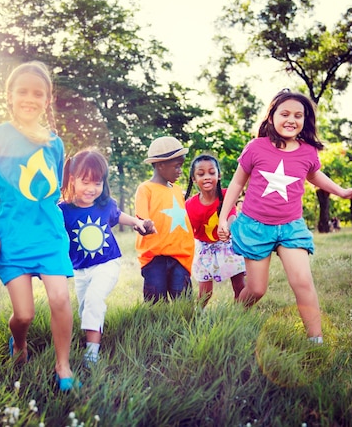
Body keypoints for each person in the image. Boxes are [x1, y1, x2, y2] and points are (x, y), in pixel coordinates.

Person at [217, 89, 352, 344]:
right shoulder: (256, 148)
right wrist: (223, 217)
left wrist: (342, 192)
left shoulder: (307, 152)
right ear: (272, 116)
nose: (291, 120)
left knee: (303, 282)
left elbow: (314, 175)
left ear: (305, 120)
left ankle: (315, 340)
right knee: (256, 289)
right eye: (284, 113)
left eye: (298, 115)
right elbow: (236, 184)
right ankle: (232, 319)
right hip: (256, 226)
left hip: (290, 227)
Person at [0, 61, 79, 391]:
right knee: (24, 315)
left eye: (38, 93)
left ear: (47, 100)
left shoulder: (54, 143)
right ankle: (20, 343)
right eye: (23, 91)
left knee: (59, 298)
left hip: (49, 237)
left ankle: (63, 366)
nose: (30, 98)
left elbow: (53, 191)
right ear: (10, 96)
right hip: (11, 239)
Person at [59, 149, 155, 366]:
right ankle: (86, 340)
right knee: (84, 307)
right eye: (86, 182)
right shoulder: (63, 210)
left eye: (98, 183)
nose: (92, 189)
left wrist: (138, 223)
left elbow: (119, 215)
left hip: (107, 263)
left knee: (94, 300)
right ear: (72, 180)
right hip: (80, 268)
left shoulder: (105, 204)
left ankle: (92, 354)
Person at [135, 136, 195, 304]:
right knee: (156, 303)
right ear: (161, 165)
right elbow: (141, 218)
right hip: (155, 257)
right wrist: (143, 225)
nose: (180, 171)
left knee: (183, 303)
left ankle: (186, 330)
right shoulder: (146, 189)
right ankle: (156, 330)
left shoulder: (177, 190)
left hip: (179, 256)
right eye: (177, 166)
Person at [184, 154, 246, 307]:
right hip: (205, 250)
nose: (207, 177)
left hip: (227, 246)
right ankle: (197, 315)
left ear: (219, 176)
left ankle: (241, 315)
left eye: (212, 172)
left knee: (239, 286)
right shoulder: (190, 205)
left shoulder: (226, 195)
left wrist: (228, 228)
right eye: (201, 173)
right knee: (205, 292)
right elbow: (188, 231)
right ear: (193, 178)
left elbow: (232, 214)